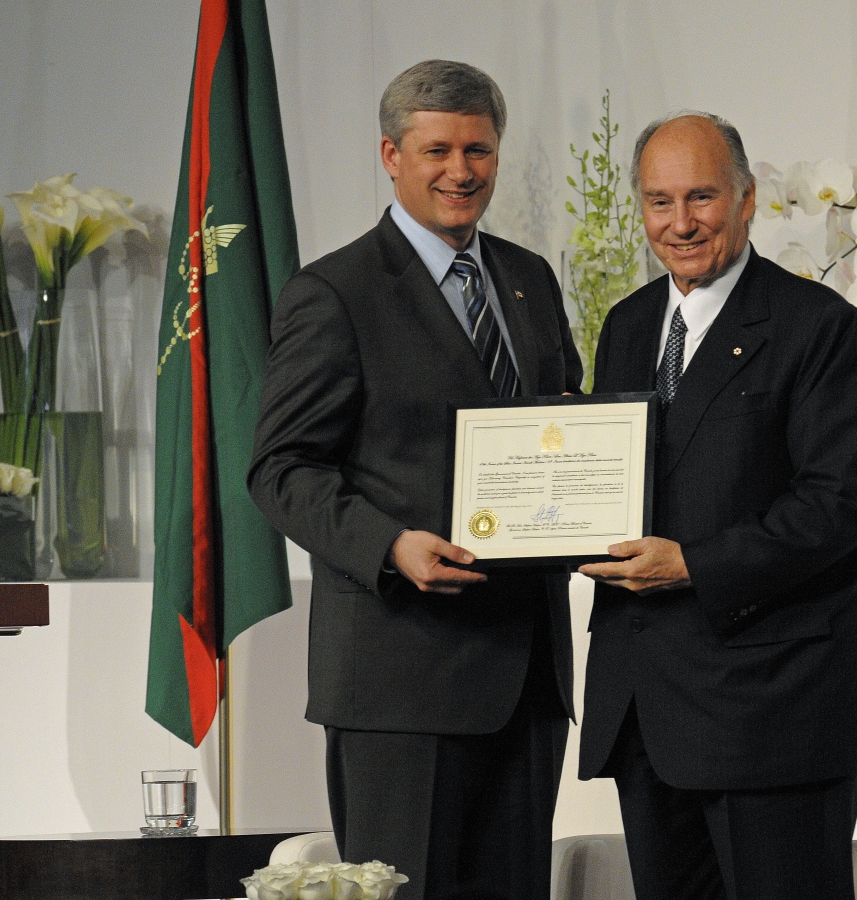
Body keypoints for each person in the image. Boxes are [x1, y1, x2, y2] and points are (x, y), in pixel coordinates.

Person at [248, 60, 581, 900]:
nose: (461, 172)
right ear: (391, 155)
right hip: (402, 679)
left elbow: (566, 424)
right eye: (437, 150)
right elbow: (280, 469)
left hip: (527, 674)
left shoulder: (528, 278)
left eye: (478, 149)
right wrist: (389, 544)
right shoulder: (335, 291)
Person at [577, 112, 857, 900]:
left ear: (747, 199)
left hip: (777, 711)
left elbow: (836, 505)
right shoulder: (624, 326)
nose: (680, 224)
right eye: (659, 202)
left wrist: (693, 564)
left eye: (701, 198)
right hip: (647, 711)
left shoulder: (820, 327)